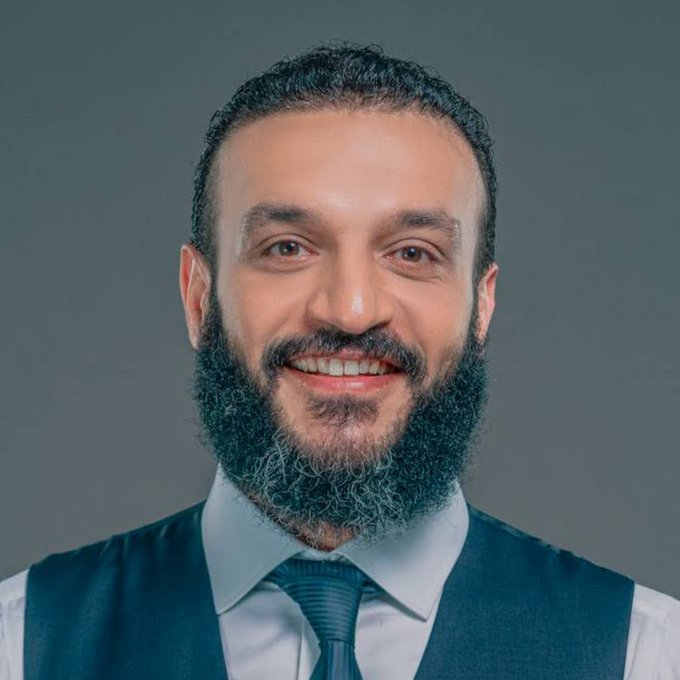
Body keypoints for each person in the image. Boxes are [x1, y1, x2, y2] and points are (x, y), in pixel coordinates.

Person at [1, 44, 678, 680]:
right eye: (287, 247)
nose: (351, 311)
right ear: (199, 298)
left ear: (482, 306)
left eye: (412, 253)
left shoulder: (647, 657)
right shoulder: (19, 645)